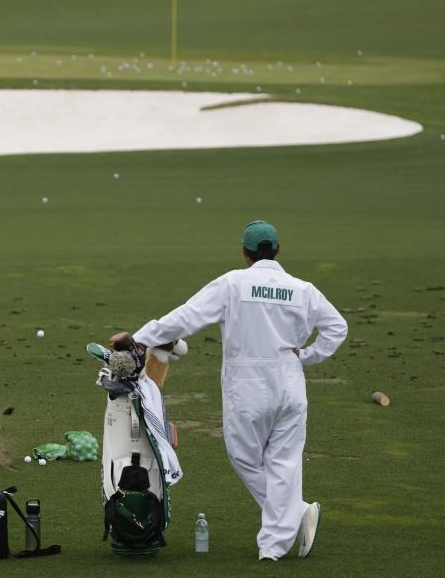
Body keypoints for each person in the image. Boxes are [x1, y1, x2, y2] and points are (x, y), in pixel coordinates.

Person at [132, 220, 347, 561]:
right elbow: (337, 327)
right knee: (285, 462)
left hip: (247, 385)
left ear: (245, 253)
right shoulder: (302, 289)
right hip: (290, 383)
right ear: (278, 249)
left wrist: (141, 337)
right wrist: (307, 356)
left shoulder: (233, 282)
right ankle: (273, 547)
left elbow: (187, 317)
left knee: (245, 458)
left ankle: (293, 517)